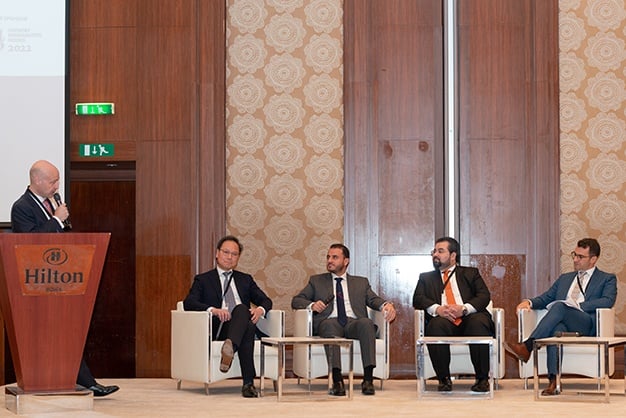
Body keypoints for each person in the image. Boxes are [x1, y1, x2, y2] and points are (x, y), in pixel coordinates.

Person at [10, 160, 119, 397]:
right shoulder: (21, 207)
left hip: (59, 280)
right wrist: (57, 220)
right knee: (50, 336)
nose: (57, 186)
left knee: (67, 333)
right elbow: (30, 243)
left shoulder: (52, 202)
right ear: (37, 180)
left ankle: (83, 381)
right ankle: (80, 382)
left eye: (57, 181)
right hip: (37, 284)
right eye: (53, 181)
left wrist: (62, 224)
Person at [505, 238, 617, 396]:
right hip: (564, 323)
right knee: (555, 330)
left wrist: (578, 305)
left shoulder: (606, 278)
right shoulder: (565, 278)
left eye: (580, 257)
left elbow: (607, 300)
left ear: (593, 259)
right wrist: (529, 302)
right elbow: (547, 297)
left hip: (586, 323)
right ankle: (554, 381)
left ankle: (528, 345)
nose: (575, 259)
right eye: (574, 255)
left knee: (559, 306)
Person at [291, 243, 396, 396]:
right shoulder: (316, 281)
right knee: (328, 325)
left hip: (353, 323)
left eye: (335, 257)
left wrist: (386, 305)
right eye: (328, 257)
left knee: (367, 323)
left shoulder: (361, 282)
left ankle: (368, 379)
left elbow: (373, 299)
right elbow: (296, 300)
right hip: (330, 322)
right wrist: (312, 305)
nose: (329, 260)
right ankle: (337, 380)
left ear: (346, 261)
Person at [183, 235, 272, 398]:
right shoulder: (203, 279)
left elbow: (266, 301)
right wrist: (213, 310)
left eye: (234, 254)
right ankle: (248, 383)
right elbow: (189, 303)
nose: (230, 257)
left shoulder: (245, 279)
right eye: (226, 252)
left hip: (241, 323)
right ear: (217, 253)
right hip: (219, 327)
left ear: (238, 257)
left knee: (242, 313)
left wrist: (260, 310)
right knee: (247, 325)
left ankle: (230, 348)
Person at [412, 237, 494, 393]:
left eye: (440, 251)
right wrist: (438, 309)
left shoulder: (470, 273)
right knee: (435, 326)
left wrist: (464, 309)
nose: (435, 254)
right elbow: (418, 299)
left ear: (453, 255)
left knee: (478, 323)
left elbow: (484, 296)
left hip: (469, 317)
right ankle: (443, 379)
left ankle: (482, 379)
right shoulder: (426, 278)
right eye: (434, 251)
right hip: (444, 320)